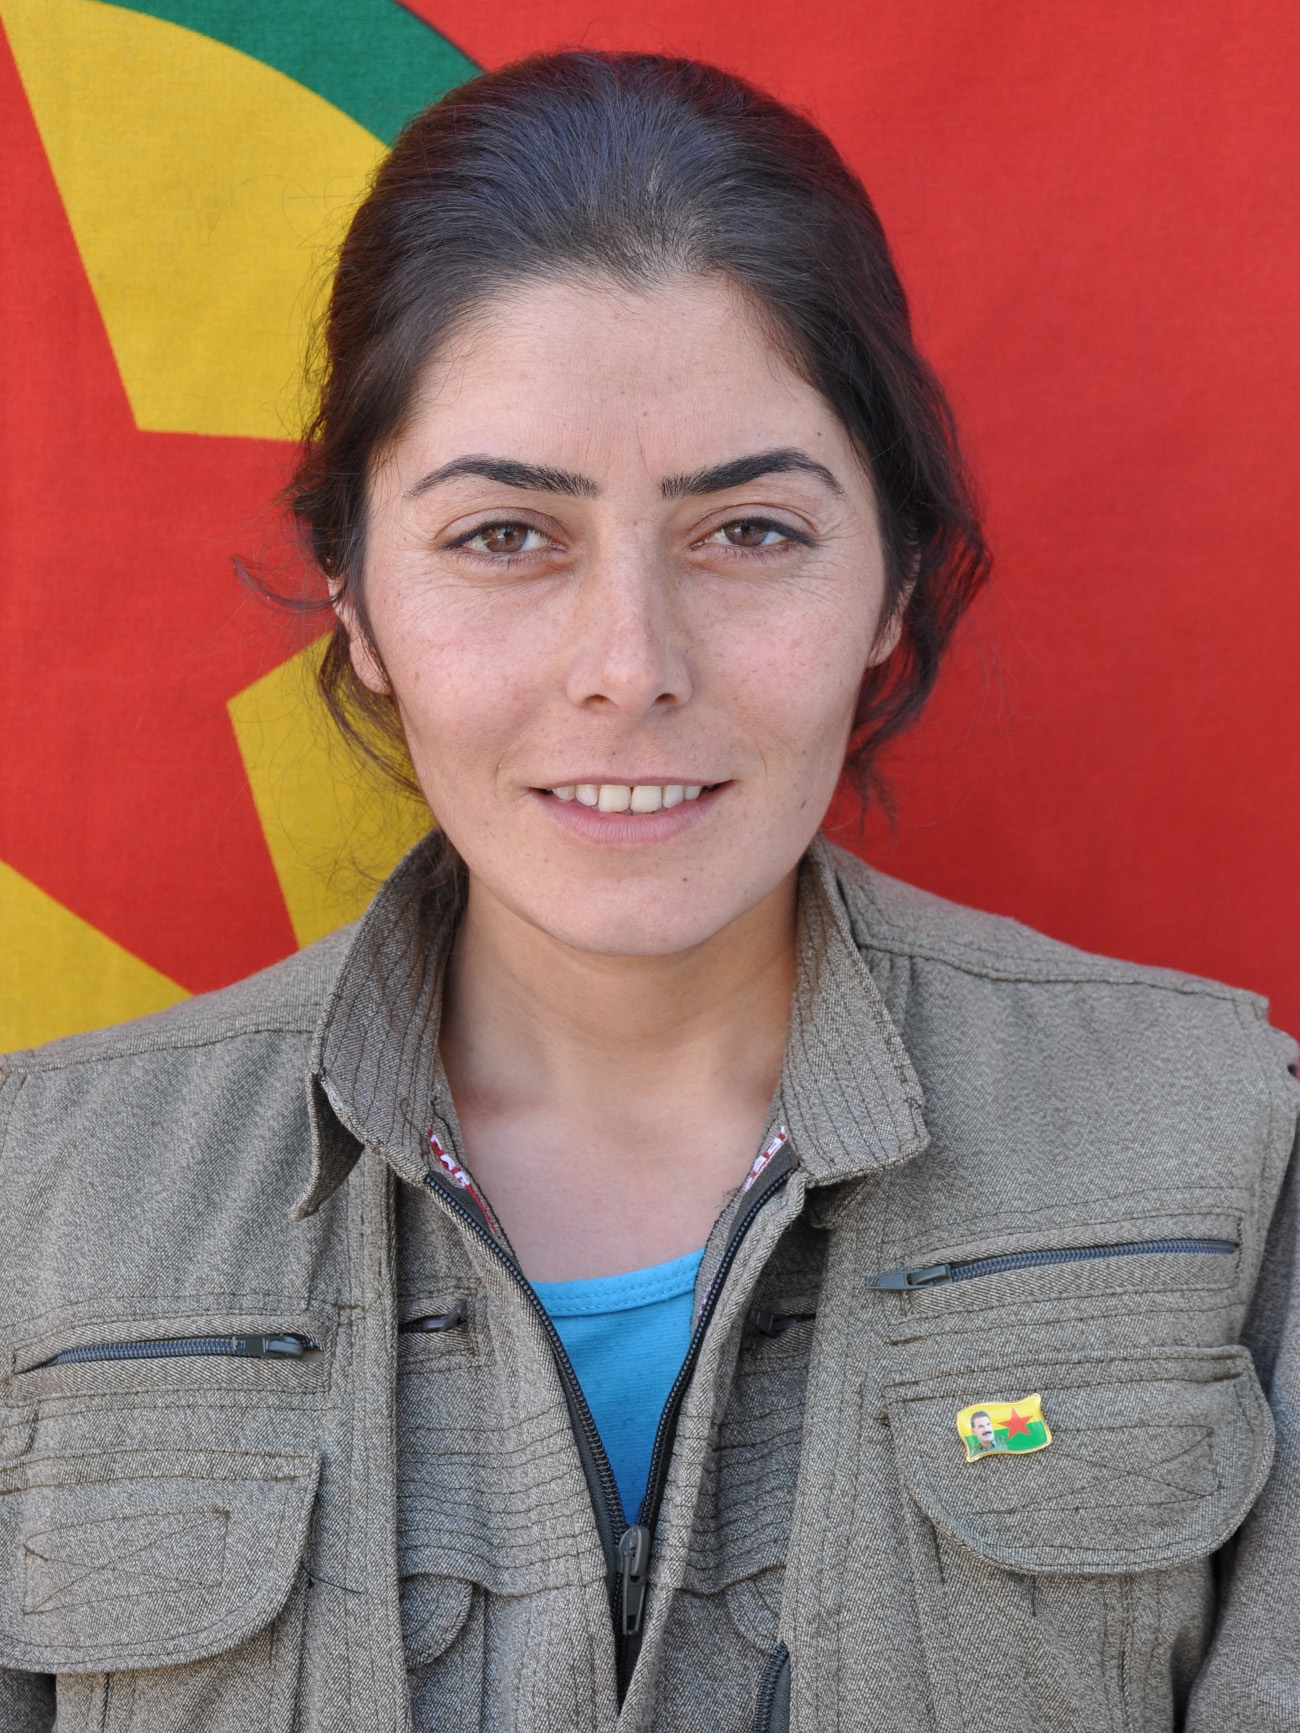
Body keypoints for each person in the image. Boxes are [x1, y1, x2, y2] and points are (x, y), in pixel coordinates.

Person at [0, 50, 1294, 1733]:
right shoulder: (43, 1209)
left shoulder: (1227, 1151)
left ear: (892, 579)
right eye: (505, 536)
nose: (630, 665)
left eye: (749, 531)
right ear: (359, 601)